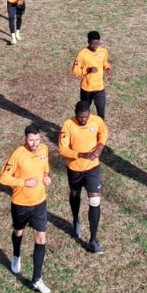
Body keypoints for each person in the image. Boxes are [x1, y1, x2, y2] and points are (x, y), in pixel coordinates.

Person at [0, 126, 54, 293]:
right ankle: (16, 254)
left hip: (40, 202)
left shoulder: (43, 149)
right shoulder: (18, 154)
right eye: (31, 140)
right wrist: (24, 182)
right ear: (25, 139)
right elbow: (3, 178)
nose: (35, 144)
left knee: (41, 238)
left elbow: (45, 167)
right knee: (18, 231)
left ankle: (37, 279)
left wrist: (46, 177)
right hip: (20, 204)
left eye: (37, 140)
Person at [59, 100, 108, 254]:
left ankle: (93, 240)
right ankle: (75, 220)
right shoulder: (68, 125)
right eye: (80, 117)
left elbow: (104, 132)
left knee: (95, 200)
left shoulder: (96, 121)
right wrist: (81, 154)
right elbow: (62, 149)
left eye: (85, 116)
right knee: (75, 195)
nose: (83, 119)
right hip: (74, 169)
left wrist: (100, 147)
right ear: (75, 114)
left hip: (92, 169)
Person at [71, 30, 111, 119]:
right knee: (84, 112)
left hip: (99, 88)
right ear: (88, 42)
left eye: (97, 43)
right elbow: (75, 71)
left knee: (101, 113)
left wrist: (107, 68)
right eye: (93, 43)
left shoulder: (103, 52)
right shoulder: (82, 54)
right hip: (87, 89)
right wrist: (88, 70)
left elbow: (104, 63)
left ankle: (100, 127)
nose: (95, 46)